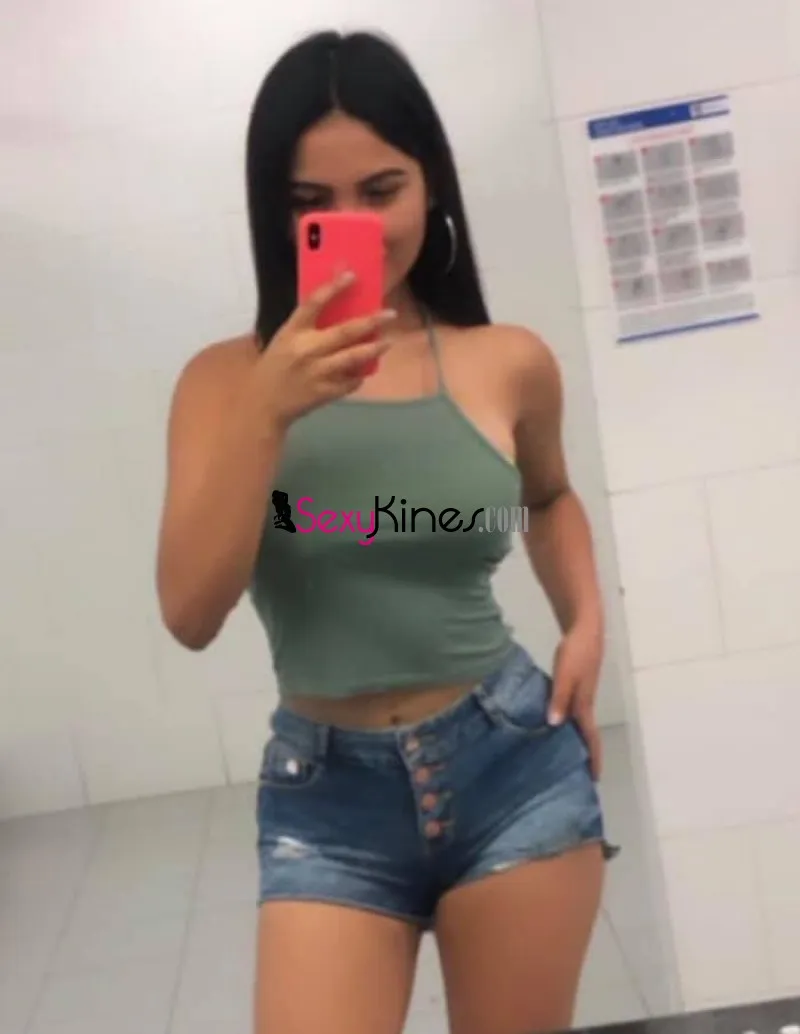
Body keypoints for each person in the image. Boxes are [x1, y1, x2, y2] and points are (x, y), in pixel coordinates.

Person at [156, 28, 616, 1034]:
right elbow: (189, 612)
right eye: (310, 201)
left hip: (510, 761)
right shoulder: (222, 384)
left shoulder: (506, 360)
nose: (352, 223)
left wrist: (585, 622)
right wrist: (267, 411)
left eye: (380, 188)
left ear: (430, 184)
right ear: (273, 211)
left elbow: (548, 498)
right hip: (327, 794)